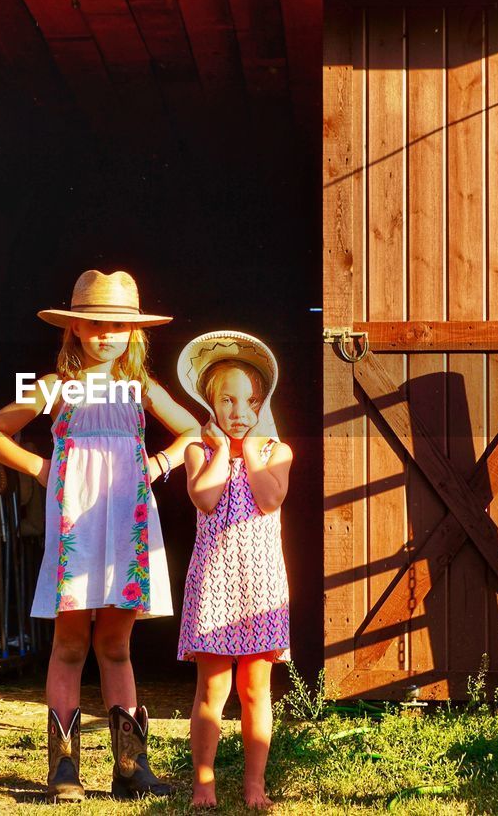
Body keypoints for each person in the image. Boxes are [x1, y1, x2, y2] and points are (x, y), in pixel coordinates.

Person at [0, 269, 199, 803]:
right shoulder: (52, 387)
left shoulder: (141, 388)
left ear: (133, 333)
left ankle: (129, 766)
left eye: (117, 325)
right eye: (94, 323)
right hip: (76, 525)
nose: (105, 333)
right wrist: (41, 469)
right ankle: (64, 771)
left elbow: (194, 430)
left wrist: (160, 463)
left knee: (117, 646)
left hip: (127, 521)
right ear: (74, 328)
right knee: (71, 642)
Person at [177, 331, 293, 810]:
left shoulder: (276, 452)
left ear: (261, 402)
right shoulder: (198, 453)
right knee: (213, 687)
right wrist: (223, 450)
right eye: (227, 400)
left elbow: (269, 499)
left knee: (254, 689)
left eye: (248, 400)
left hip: (261, 586)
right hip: (215, 585)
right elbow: (204, 497)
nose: (238, 410)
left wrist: (249, 451)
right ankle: (204, 783)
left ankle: (254, 785)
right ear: (211, 402)